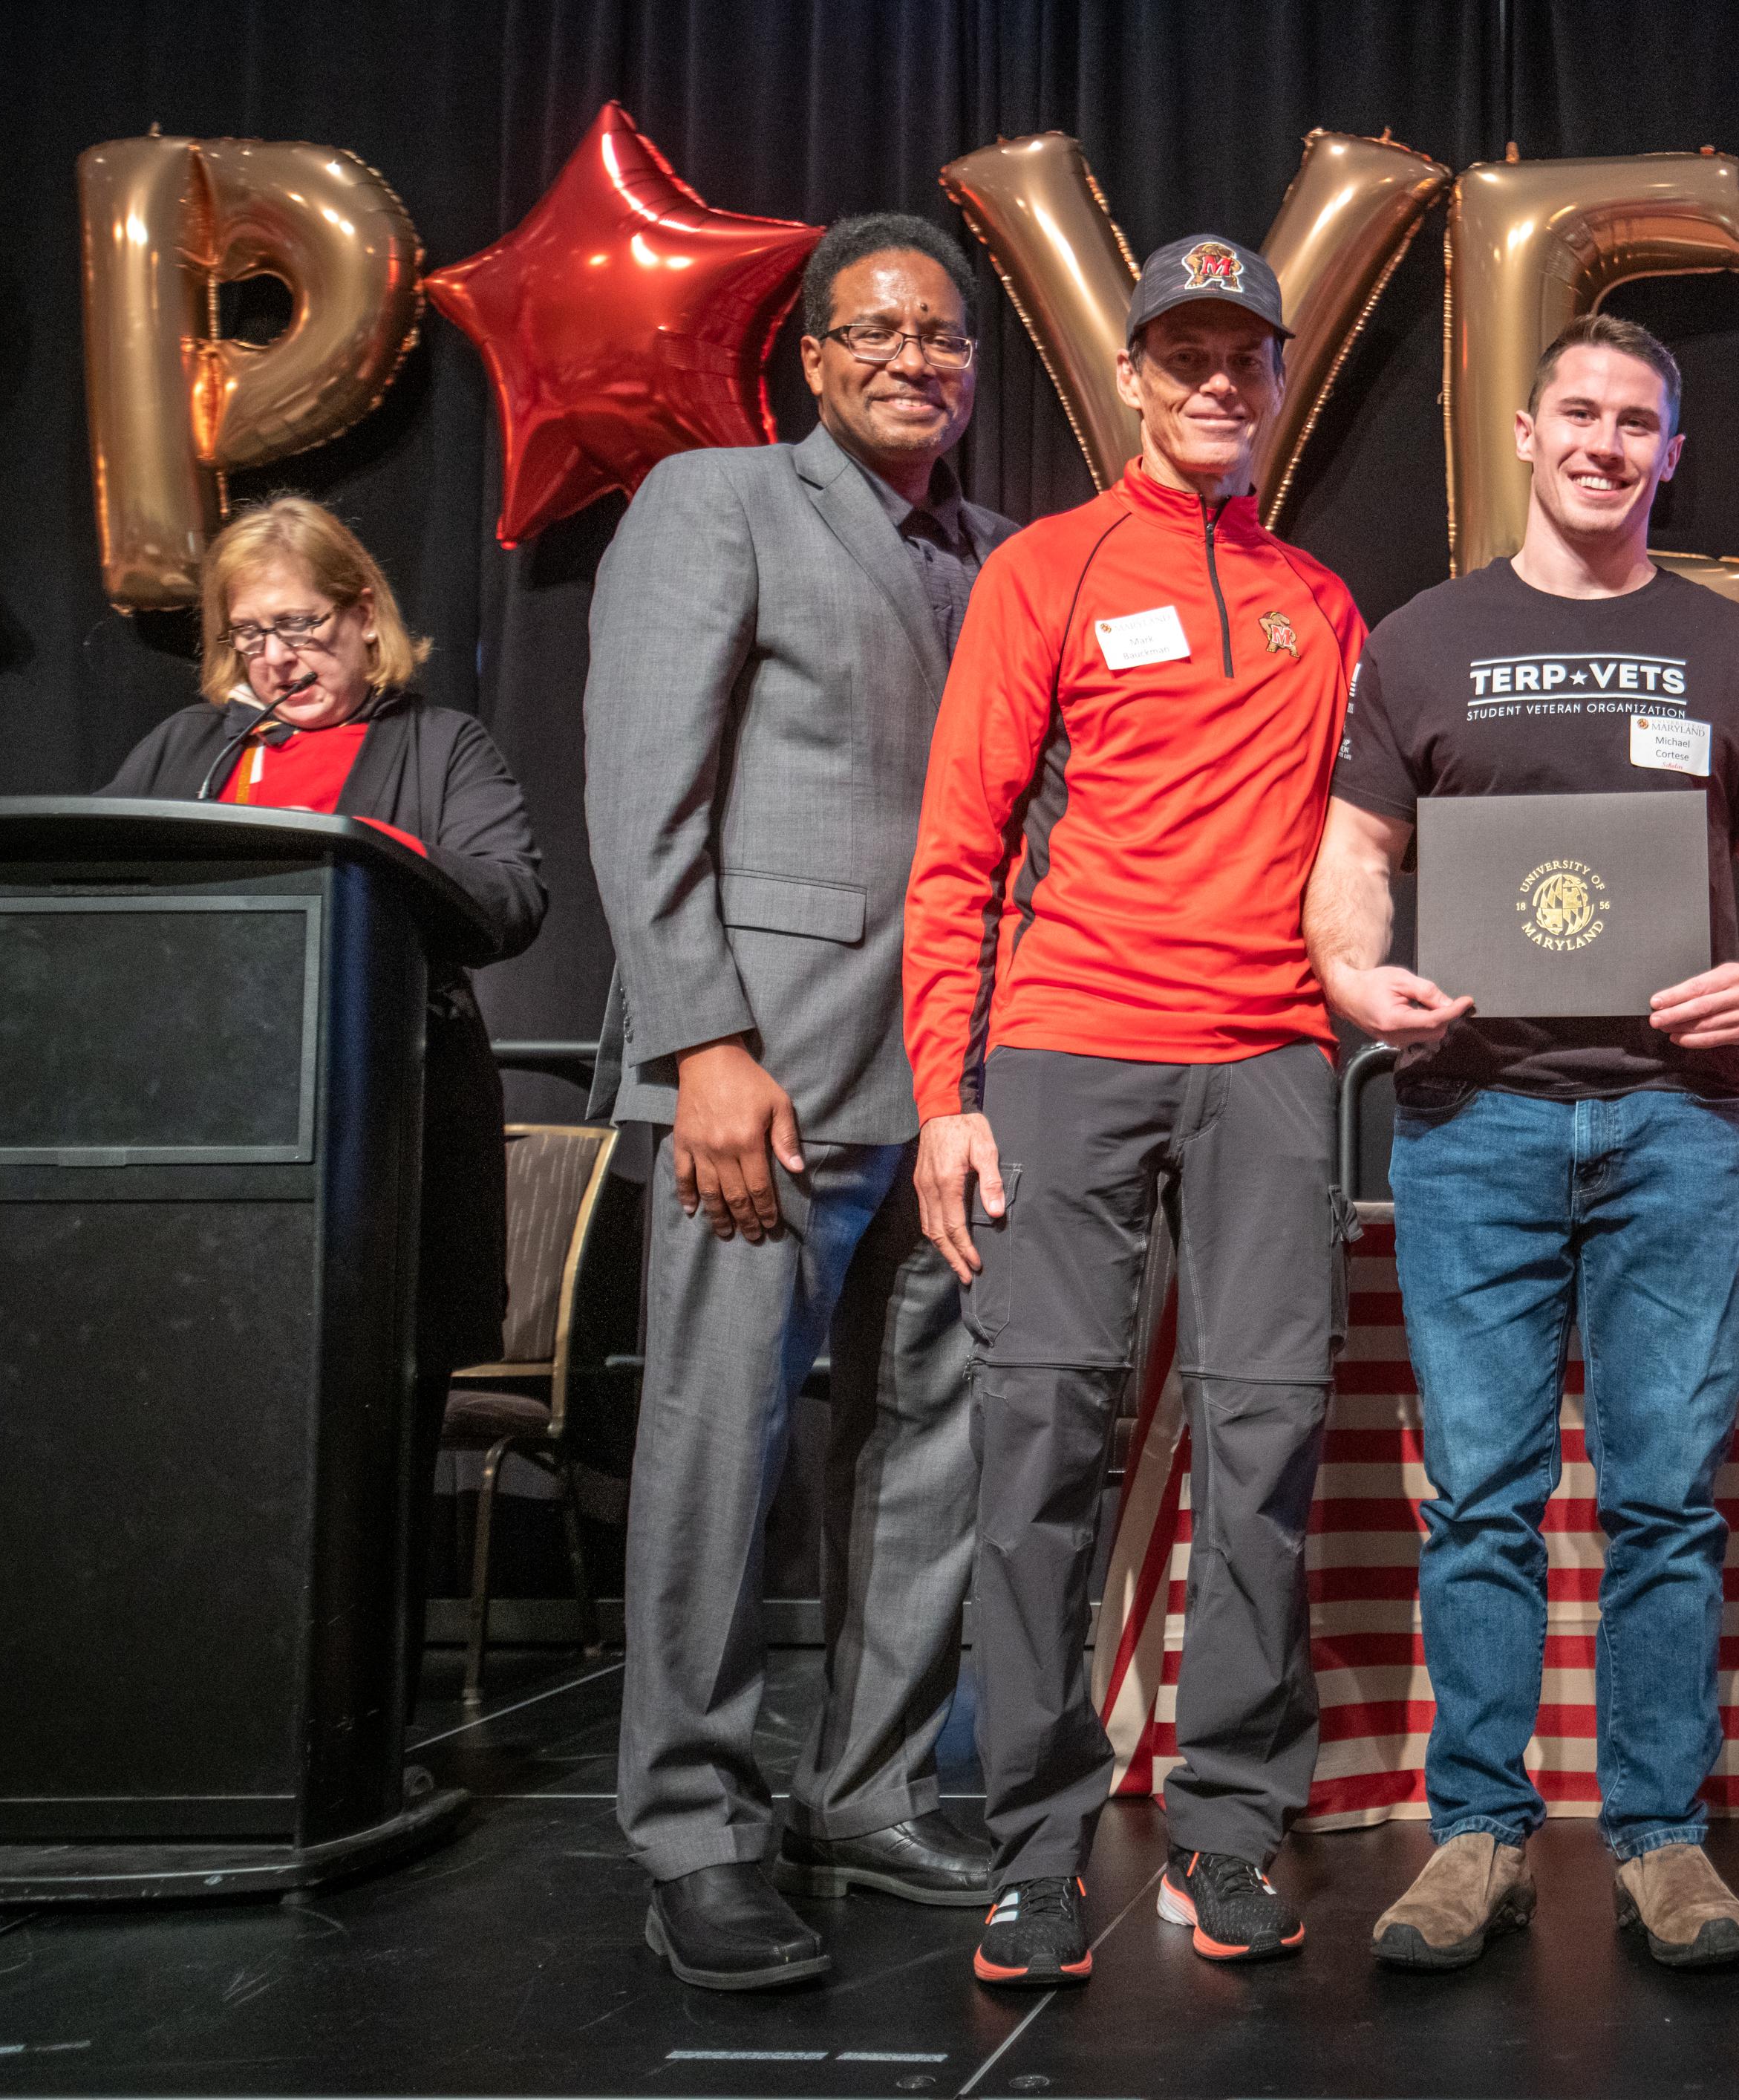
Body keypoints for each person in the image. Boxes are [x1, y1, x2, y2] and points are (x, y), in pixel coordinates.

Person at [1305, 313, 1739, 1972]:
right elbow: (1353, 851)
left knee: (1668, 1503)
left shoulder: (1734, 645)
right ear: (1527, 435)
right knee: (1482, 1496)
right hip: (1470, 1118)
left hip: (1679, 1124)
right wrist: (1350, 974)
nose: (1606, 443)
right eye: (1581, 415)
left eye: (1639, 422)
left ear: (1669, 454)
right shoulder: (1420, 639)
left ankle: (1664, 1838)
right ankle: (1478, 1829)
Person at [902, 235, 1363, 1986]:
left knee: (1264, 1437)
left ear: (1270, 378)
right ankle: (1034, 1842)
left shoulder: (1325, 599)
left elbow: (1360, 855)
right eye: (1184, 355)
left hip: (1267, 1059)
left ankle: (1230, 1824)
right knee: (1041, 1444)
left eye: (1243, 358)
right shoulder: (1045, 569)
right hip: (1071, 1047)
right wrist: (946, 1090)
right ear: (1130, 373)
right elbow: (958, 850)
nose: (1215, 385)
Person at [584, 212, 1017, 1992]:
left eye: (946, 338)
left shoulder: (1000, 555)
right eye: (882, 332)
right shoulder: (720, 502)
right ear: (817, 359)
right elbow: (643, 788)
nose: (919, 357)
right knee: (715, 1451)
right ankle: (694, 1825)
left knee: (933, 1439)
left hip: (949, 1083)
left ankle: (873, 1788)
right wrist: (700, 1044)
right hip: (757, 1078)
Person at [103, 493, 547, 1721]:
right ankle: (195, 1699)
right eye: (250, 635)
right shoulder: (193, 751)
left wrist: (361, 852)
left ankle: (354, 1718)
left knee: (362, 1435)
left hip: (373, 1141)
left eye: (300, 624)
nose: (277, 658)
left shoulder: (439, 744)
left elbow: (509, 897)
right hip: (200, 1151)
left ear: (364, 619)